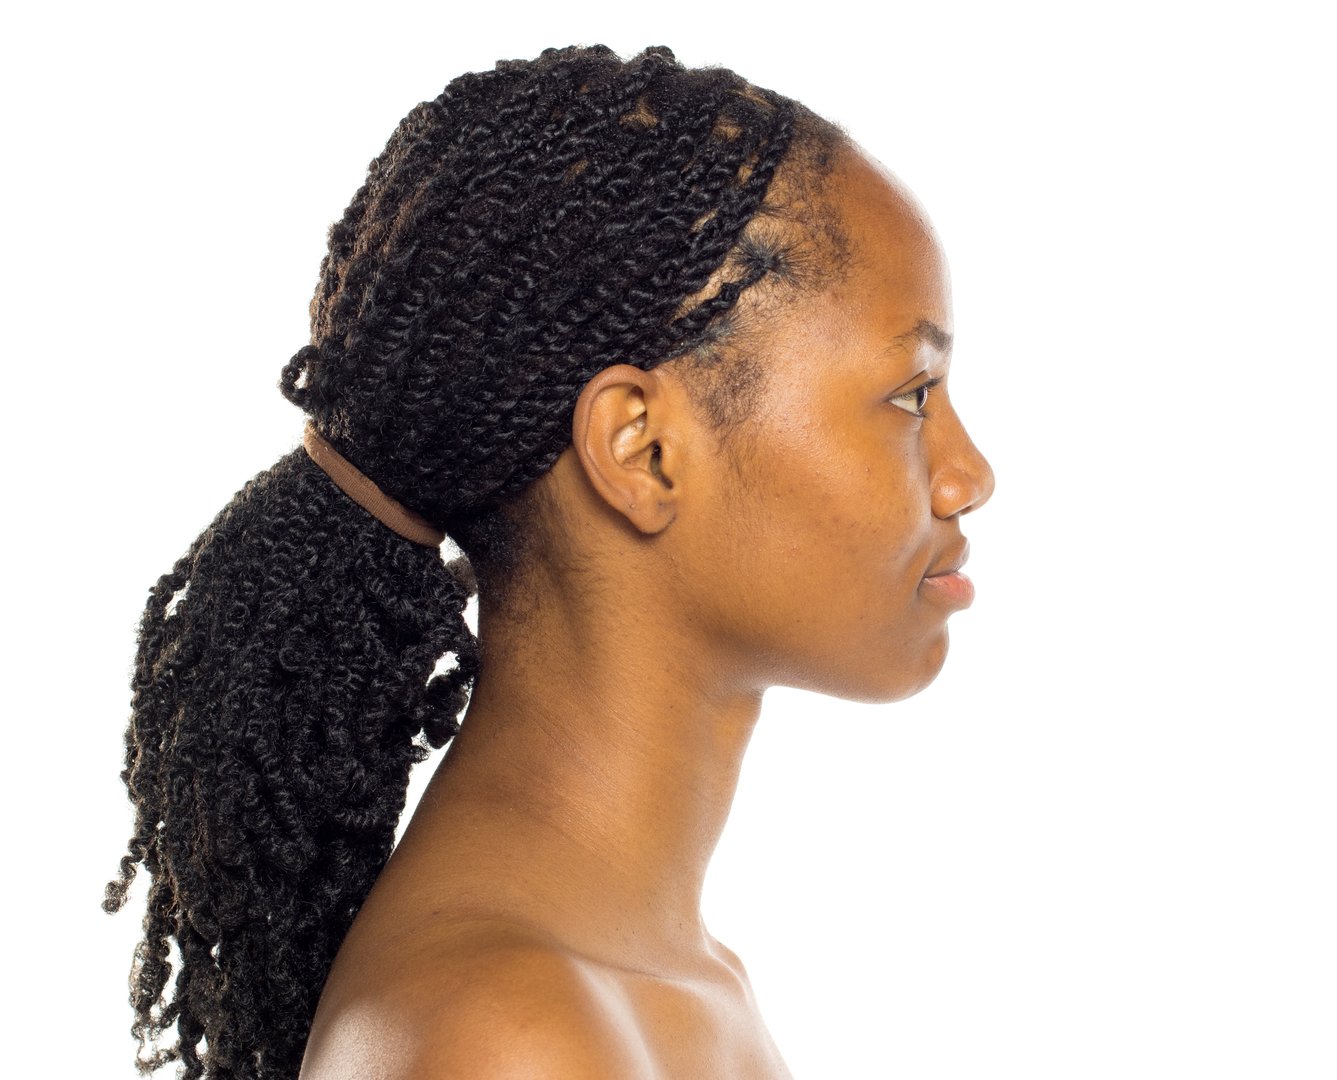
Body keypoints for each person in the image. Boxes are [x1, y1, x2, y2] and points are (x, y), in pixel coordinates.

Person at [105, 43, 994, 1079]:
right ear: (641, 449)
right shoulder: (501, 1035)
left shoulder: (664, 988)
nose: (969, 475)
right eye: (912, 394)